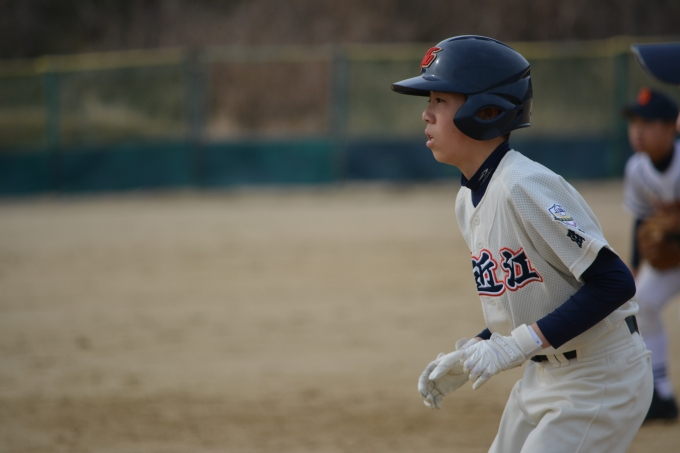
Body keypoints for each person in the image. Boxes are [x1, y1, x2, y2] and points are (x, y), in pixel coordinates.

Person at [391, 35, 652, 453]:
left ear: (486, 111)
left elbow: (614, 282)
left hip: (600, 373)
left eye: (440, 100)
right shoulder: (467, 199)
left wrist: (515, 346)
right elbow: (527, 301)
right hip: (542, 374)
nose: (426, 113)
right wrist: (479, 346)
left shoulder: (523, 185)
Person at [622, 87, 680, 421]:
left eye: (647, 123)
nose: (638, 131)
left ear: (672, 127)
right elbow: (641, 219)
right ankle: (661, 394)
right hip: (672, 260)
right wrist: (634, 266)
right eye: (634, 123)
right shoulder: (637, 169)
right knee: (642, 302)